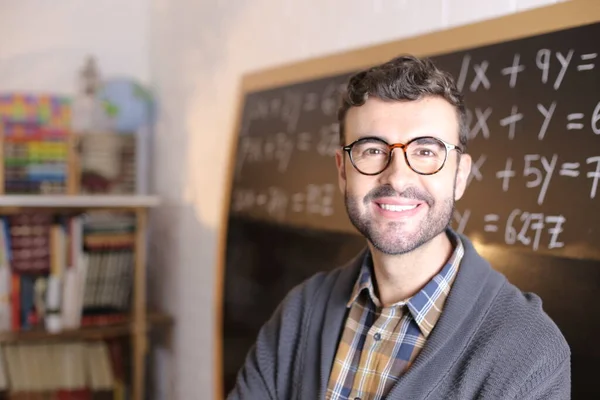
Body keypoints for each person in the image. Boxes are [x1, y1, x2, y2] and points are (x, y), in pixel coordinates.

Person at [227, 55, 570, 400]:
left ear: (461, 175)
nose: (397, 177)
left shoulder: (530, 351)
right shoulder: (299, 313)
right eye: (373, 149)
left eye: (425, 151)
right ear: (343, 171)